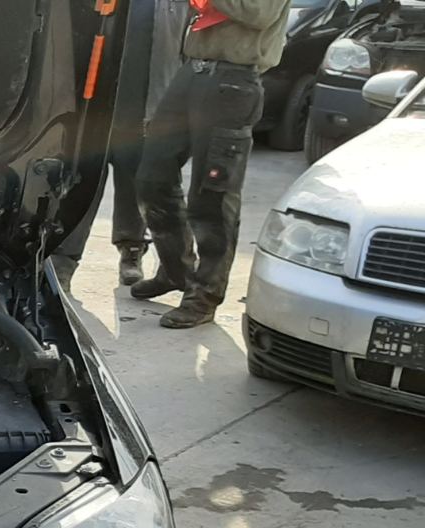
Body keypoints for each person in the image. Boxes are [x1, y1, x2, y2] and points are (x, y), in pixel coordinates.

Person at [132, 0, 294, 328]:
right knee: (152, 176)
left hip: (234, 79)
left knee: (213, 195)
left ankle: (204, 295)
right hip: (192, 70)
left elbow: (259, 14)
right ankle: (176, 270)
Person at [56, 0, 188, 289]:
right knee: (82, 181)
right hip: (94, 105)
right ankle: (63, 260)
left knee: (134, 183)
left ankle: (131, 250)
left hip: (144, 108)